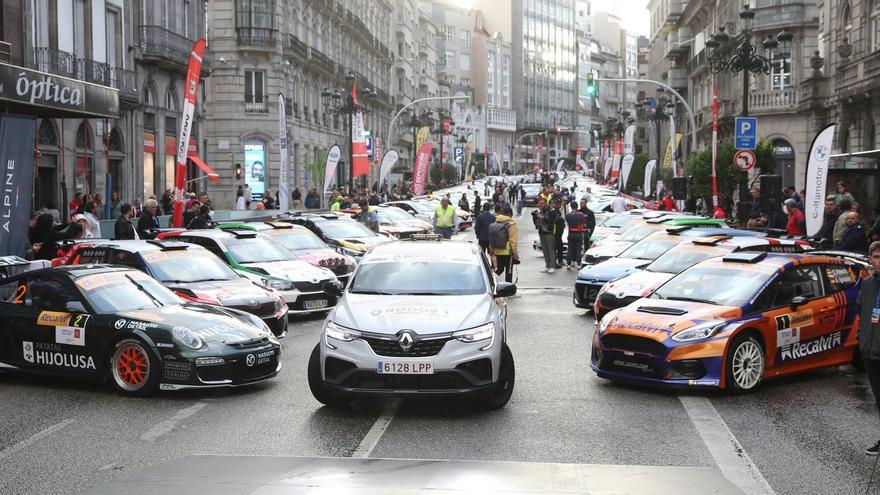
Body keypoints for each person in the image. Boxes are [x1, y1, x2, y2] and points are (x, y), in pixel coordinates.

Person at [857, 241, 880, 455]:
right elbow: (861, 311)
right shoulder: (867, 283)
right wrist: (861, 339)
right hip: (870, 351)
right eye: (876, 257)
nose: (879, 261)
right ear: (870, 260)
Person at [489, 206, 518, 283]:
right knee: (509, 272)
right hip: (508, 252)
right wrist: (515, 253)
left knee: (499, 269)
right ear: (509, 214)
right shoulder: (511, 224)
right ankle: (508, 289)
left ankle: (489, 279)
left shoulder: (496, 222)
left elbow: (492, 237)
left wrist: (491, 250)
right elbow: (513, 240)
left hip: (497, 250)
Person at [537, 199, 560, 273]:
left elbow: (552, 221)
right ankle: (547, 265)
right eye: (540, 203)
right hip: (542, 232)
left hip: (549, 232)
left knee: (551, 250)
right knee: (545, 250)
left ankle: (552, 266)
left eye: (542, 203)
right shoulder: (541, 210)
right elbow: (538, 222)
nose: (541, 204)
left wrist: (542, 217)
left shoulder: (552, 211)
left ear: (546, 203)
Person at [565, 200, 588, 268]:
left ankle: (568, 263)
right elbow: (584, 222)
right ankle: (578, 263)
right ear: (577, 206)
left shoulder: (568, 215)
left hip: (571, 233)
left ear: (571, 207)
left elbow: (567, 222)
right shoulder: (580, 215)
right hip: (578, 233)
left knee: (570, 248)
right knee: (578, 249)